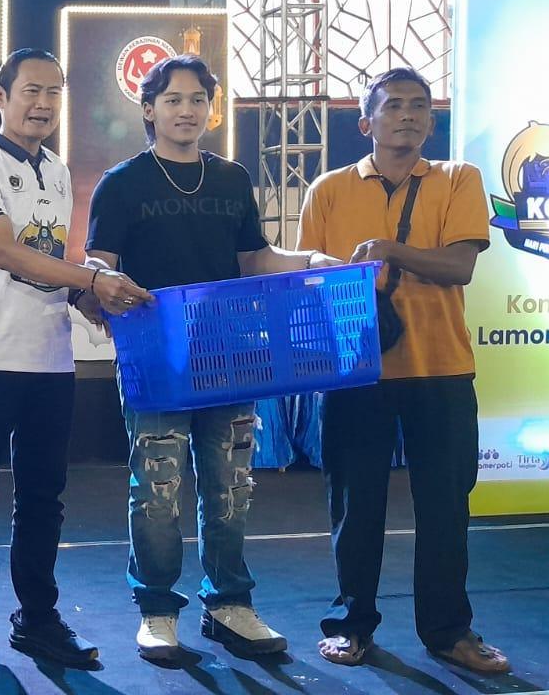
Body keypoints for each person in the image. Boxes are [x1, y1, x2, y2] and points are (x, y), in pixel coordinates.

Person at [83, 54, 337, 662]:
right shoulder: (122, 182)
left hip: (231, 355)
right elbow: (99, 265)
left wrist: (311, 261)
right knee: (157, 491)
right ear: (149, 109)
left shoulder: (231, 178)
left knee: (231, 488)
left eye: (198, 99)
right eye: (173, 99)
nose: (187, 110)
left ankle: (229, 605)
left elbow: (256, 260)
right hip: (157, 360)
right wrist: (92, 284)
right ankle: (157, 611)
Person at [0, 48, 149, 671]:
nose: (43, 104)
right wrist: (92, 279)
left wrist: (91, 301)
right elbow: (4, 252)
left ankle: (37, 619)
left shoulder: (57, 171)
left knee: (42, 498)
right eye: (30, 91)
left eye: (53, 92)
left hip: (51, 360)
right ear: (0, 97)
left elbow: (50, 263)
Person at [298, 68, 510, 673]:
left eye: (419, 106)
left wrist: (390, 250)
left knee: (445, 507)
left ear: (431, 122)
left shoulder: (458, 178)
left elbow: (460, 266)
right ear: (366, 122)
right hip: (354, 373)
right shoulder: (328, 190)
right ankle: (351, 625)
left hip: (440, 368)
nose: (408, 115)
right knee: (354, 507)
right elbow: (309, 278)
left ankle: (449, 631)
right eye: (393, 106)